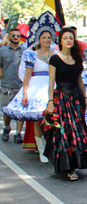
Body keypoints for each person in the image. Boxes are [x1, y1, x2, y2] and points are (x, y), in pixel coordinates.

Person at [2, 12, 62, 162]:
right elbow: (27, 75)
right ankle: (41, 150)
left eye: (49, 37)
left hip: (52, 86)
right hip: (36, 87)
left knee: (53, 118)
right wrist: (25, 92)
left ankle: (51, 146)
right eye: (44, 38)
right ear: (38, 39)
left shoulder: (56, 54)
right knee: (37, 119)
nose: (47, 40)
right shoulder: (31, 54)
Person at [44, 27, 87, 180]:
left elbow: (79, 80)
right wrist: (50, 102)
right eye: (66, 38)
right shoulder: (55, 59)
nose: (69, 40)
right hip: (62, 99)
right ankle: (69, 167)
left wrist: (85, 97)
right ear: (60, 41)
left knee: (79, 131)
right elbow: (51, 82)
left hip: (77, 99)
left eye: (71, 38)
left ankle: (75, 163)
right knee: (66, 133)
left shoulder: (77, 58)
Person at [0, 28, 25, 143]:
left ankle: (18, 133)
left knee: (20, 111)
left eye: (18, 36)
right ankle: (6, 127)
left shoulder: (25, 51)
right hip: (7, 85)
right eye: (13, 35)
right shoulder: (2, 51)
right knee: (7, 110)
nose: (16, 37)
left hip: (21, 85)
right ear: (9, 37)